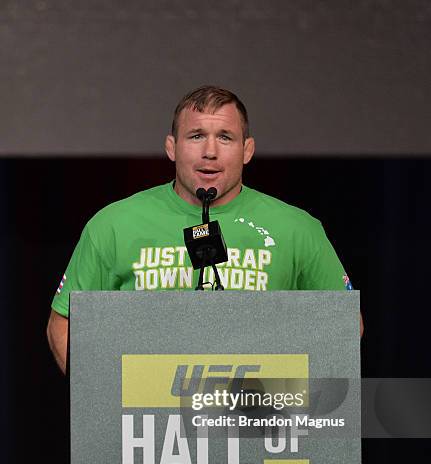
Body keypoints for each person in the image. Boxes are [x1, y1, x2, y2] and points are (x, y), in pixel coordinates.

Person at [47, 85, 363, 373]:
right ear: (172, 147)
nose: (210, 151)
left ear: (247, 150)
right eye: (196, 136)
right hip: (145, 425)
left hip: (255, 418)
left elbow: (346, 324)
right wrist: (100, 403)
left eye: (225, 137)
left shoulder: (297, 229)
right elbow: (63, 323)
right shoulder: (112, 225)